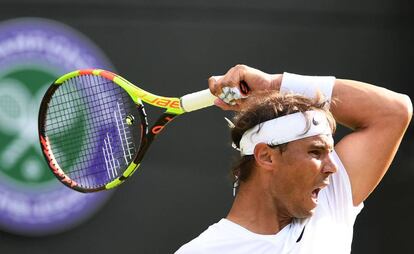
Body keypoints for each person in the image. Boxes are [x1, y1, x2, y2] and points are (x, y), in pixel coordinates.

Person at [175, 65, 412, 254]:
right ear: (266, 156)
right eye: (316, 152)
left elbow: (394, 111)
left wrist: (274, 84)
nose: (332, 168)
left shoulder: (329, 205)